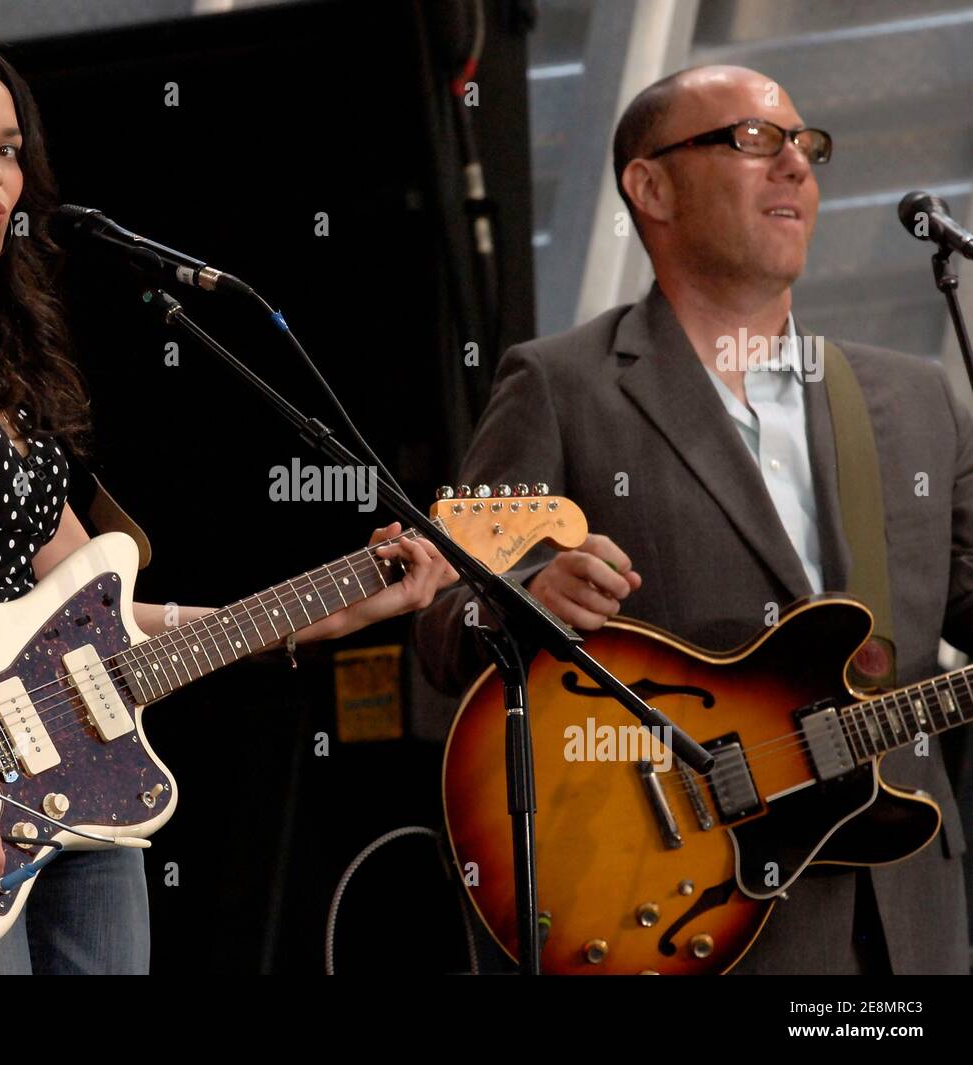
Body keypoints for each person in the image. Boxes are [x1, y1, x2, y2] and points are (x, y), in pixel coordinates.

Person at [0, 30, 456, 975]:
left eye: (7, 148)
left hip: (80, 773)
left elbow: (101, 611)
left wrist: (325, 610)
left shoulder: (9, 361)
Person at [414, 64, 969, 975]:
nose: (795, 165)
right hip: (684, 917)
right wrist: (522, 601)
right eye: (754, 140)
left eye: (806, 143)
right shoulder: (560, 386)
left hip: (906, 922)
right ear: (651, 186)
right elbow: (439, 632)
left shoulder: (914, 399)